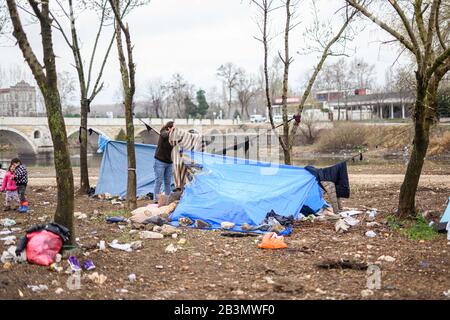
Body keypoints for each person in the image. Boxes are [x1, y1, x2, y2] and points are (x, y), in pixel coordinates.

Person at [153, 121, 174, 201]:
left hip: (169, 162)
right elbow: (165, 134)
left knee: (167, 182)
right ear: (169, 128)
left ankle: (167, 199)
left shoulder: (173, 138)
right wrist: (171, 131)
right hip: (160, 161)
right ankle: (156, 200)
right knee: (159, 181)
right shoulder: (163, 133)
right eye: (174, 128)